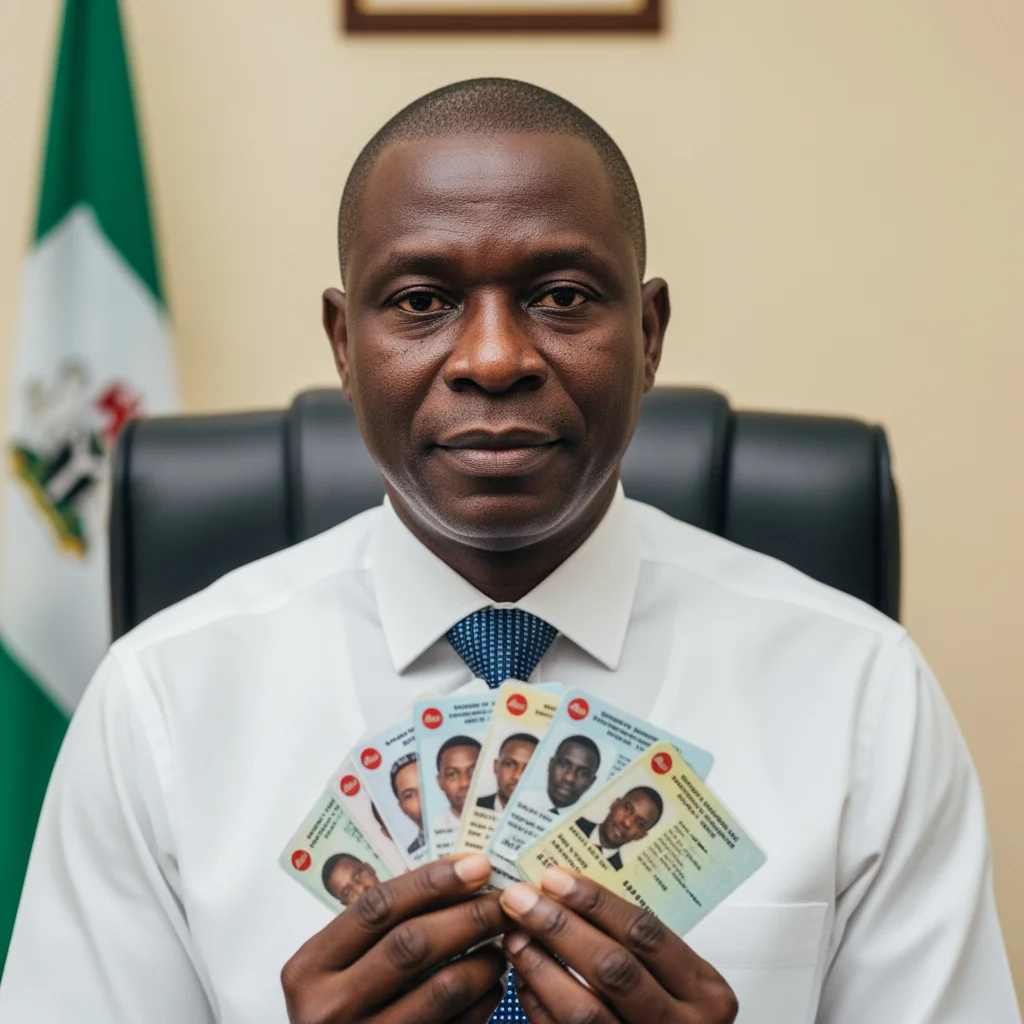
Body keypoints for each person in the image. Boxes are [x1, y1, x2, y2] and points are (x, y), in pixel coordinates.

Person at [0, 77, 1018, 1024]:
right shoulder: (161, 702)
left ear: (651, 333)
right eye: (419, 301)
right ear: (344, 344)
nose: (493, 359)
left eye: (563, 295)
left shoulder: (860, 690)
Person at [575, 785, 663, 871]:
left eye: (640, 824)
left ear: (640, 836)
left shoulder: (617, 874)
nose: (627, 823)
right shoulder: (573, 822)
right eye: (627, 808)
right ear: (615, 804)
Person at [476, 733, 537, 811]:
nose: (517, 776)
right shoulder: (470, 808)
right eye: (509, 764)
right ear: (496, 767)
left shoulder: (551, 819)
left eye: (529, 768)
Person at [433, 734, 481, 832]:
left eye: (474, 771)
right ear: (440, 782)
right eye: (452, 774)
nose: (465, 783)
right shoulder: (433, 833)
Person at [545, 734, 601, 812]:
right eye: (564, 765)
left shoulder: (586, 818)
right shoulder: (524, 797)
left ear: (591, 782)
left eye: (583, 773)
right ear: (551, 765)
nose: (569, 778)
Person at [389, 752, 424, 855]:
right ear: (402, 808)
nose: (423, 799)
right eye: (410, 795)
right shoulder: (410, 857)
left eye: (426, 785)